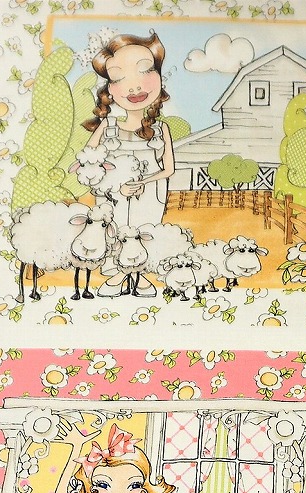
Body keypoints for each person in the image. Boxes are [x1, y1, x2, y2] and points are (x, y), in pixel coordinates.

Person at [81, 30, 176, 296]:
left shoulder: (161, 130)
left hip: (150, 195)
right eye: (119, 77)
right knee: (117, 230)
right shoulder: (107, 126)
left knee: (144, 232)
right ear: (110, 89)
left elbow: (169, 169)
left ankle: (137, 276)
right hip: (114, 196)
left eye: (144, 71)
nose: (134, 87)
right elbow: (88, 162)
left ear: (159, 78)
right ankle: (119, 275)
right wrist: (115, 186)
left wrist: (144, 181)